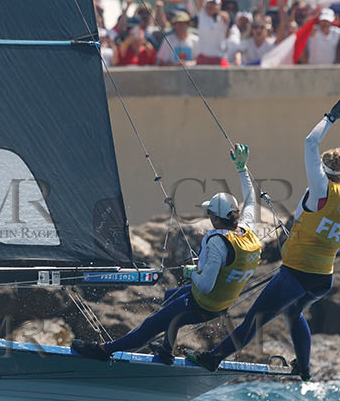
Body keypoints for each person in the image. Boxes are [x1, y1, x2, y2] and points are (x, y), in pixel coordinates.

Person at [190, 96, 340, 380]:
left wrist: (329, 118)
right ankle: (304, 369)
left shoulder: (321, 190)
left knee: (253, 321)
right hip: (323, 278)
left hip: (297, 274)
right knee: (294, 313)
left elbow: (309, 143)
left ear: (322, 170)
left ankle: (213, 358)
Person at [72, 143, 260, 364]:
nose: (208, 216)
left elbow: (206, 284)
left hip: (203, 304)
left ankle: (104, 350)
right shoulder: (248, 229)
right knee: (170, 296)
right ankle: (166, 351)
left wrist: (193, 273)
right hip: (220, 304)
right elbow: (251, 199)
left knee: (150, 327)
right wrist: (242, 169)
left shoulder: (217, 241)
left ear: (216, 218)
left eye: (209, 213)